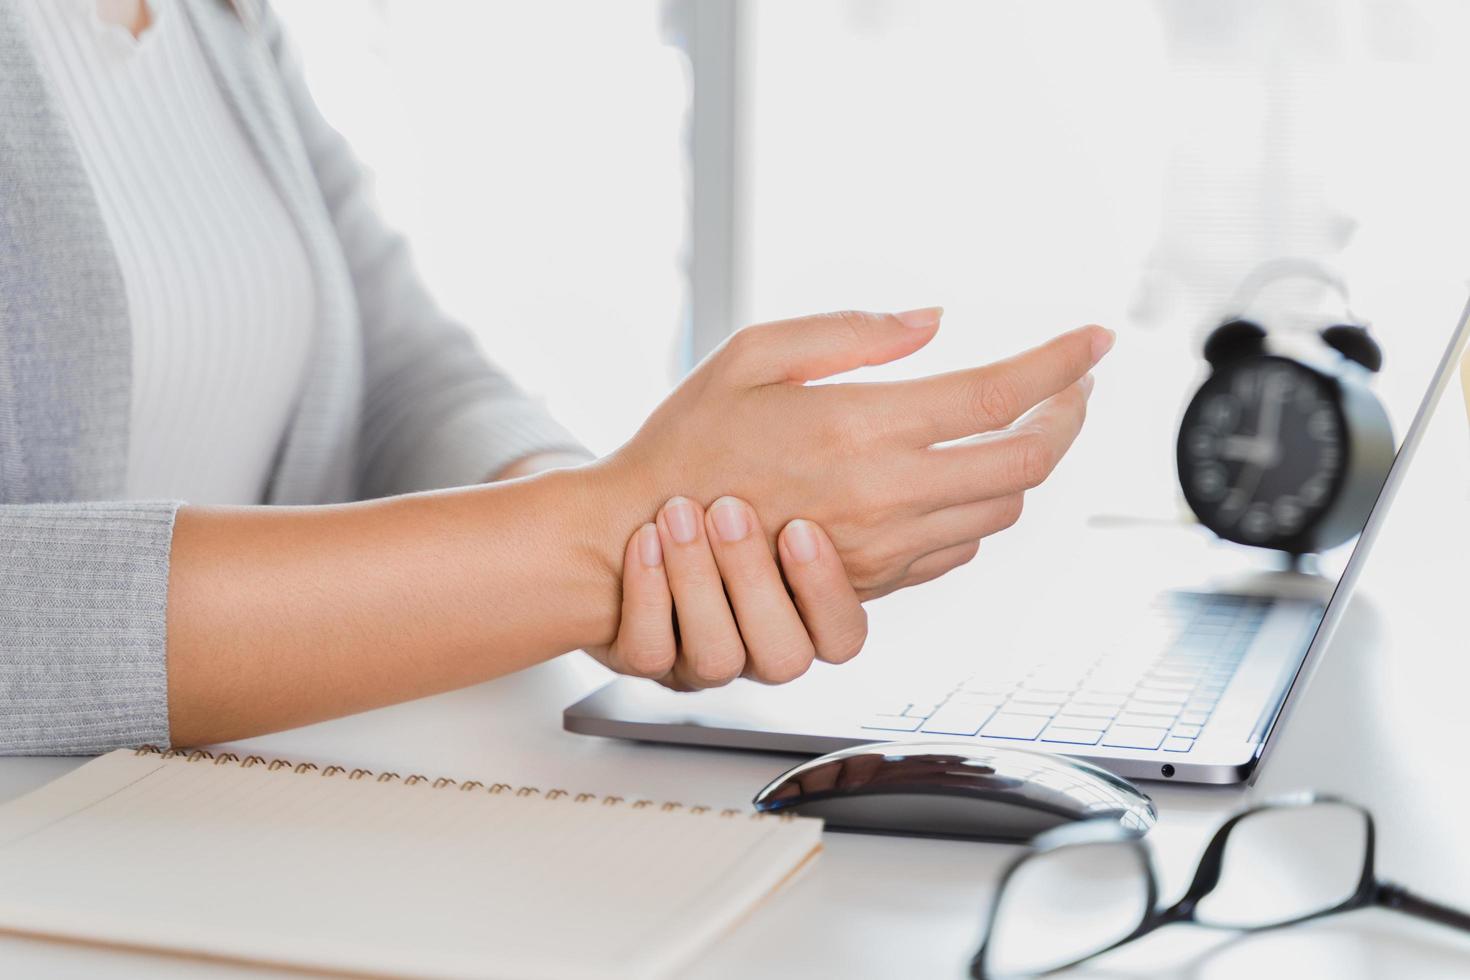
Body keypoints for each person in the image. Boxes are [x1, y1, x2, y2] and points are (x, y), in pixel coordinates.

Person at [0, 0, 1110, 755]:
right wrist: (584, 542)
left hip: (205, 836)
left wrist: (656, 539)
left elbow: (400, 367)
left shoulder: (221, 22)